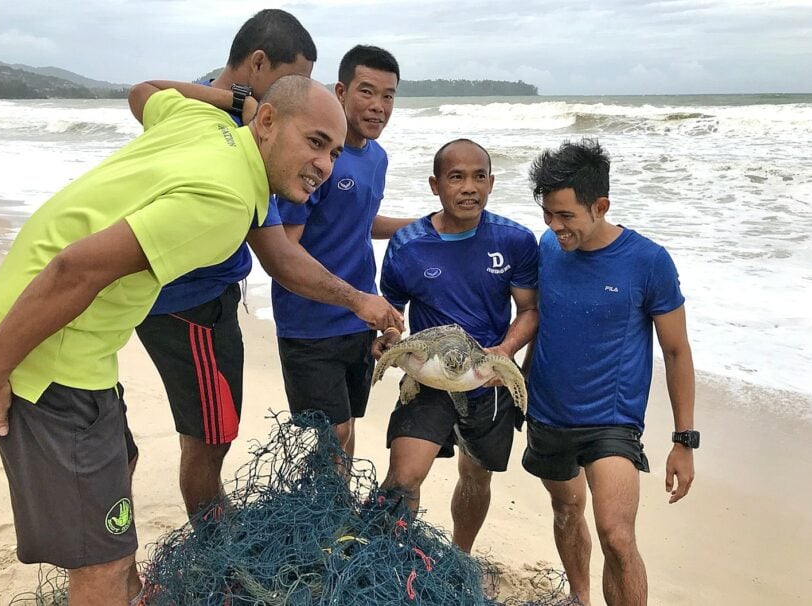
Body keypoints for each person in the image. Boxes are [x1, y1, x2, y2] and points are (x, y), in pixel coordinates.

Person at [0, 75, 346, 606]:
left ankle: (128, 590)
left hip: (51, 321)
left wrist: (233, 100)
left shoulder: (202, 122)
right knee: (102, 563)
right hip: (46, 346)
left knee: (122, 465)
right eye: (315, 142)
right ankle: (114, 584)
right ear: (267, 121)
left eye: (336, 153)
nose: (325, 166)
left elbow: (145, 91)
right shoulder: (226, 202)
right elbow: (75, 269)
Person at [131, 12, 403, 521]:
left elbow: (143, 93)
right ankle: (213, 538)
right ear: (258, 66)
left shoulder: (240, 126)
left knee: (221, 433)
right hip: (188, 301)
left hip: (211, 296)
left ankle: (223, 527)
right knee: (212, 436)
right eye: (286, 82)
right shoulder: (228, 127)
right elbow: (279, 254)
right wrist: (243, 103)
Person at [521, 138, 697, 606]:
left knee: (616, 536)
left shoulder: (648, 261)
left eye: (566, 216)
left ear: (600, 206)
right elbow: (539, 318)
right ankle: (580, 597)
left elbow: (677, 351)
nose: (554, 227)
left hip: (611, 421)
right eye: (548, 214)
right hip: (547, 411)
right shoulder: (548, 246)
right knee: (565, 509)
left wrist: (685, 440)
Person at [373, 138, 539, 554]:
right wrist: (390, 341)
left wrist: (505, 351)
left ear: (491, 182)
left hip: (487, 375)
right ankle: (386, 559)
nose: (469, 187)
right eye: (456, 177)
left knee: (476, 476)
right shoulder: (407, 245)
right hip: (429, 375)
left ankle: (458, 559)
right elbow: (392, 313)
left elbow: (530, 310)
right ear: (435, 185)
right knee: (405, 476)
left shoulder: (515, 240)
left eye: (478, 177)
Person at [272, 45, 411, 459]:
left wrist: (425, 225)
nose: (378, 106)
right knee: (332, 435)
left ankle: (338, 519)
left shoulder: (377, 158)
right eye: (367, 92)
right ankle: (326, 521)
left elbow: (359, 221)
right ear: (340, 92)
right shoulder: (316, 158)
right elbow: (285, 247)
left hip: (359, 319)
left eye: (388, 95)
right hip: (309, 323)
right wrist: (353, 300)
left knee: (347, 432)